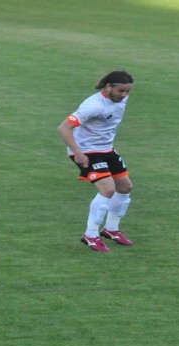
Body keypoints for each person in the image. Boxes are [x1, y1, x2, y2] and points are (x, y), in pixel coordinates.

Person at [57, 70, 135, 252]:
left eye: (127, 91)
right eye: (120, 91)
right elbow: (64, 128)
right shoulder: (92, 106)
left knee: (125, 188)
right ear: (108, 87)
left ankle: (111, 229)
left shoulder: (120, 98)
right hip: (86, 151)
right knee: (108, 189)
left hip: (106, 148)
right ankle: (91, 235)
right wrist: (77, 153)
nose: (124, 95)